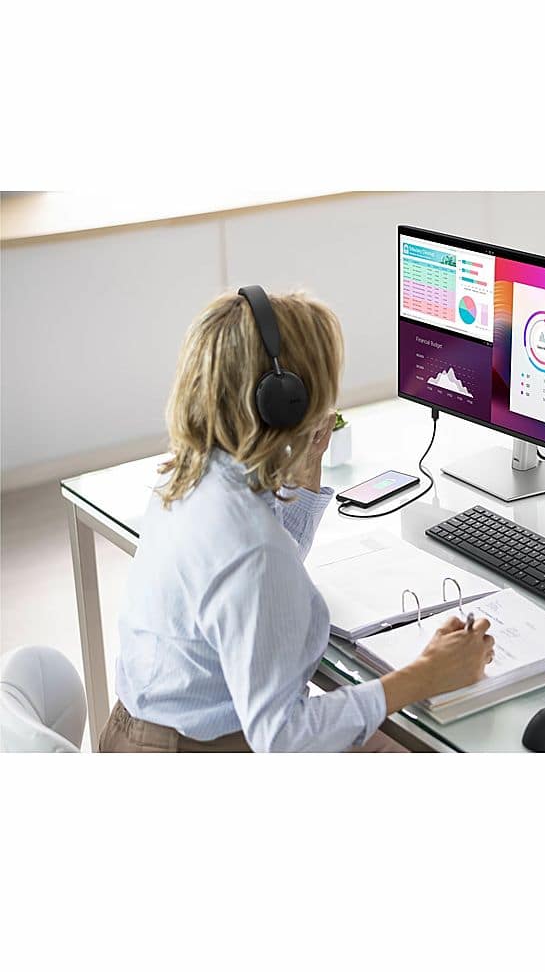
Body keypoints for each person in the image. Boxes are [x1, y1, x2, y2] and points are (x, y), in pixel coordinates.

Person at [99, 289, 493, 752]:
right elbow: (283, 737)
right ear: (283, 400)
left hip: (137, 732)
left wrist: (305, 463)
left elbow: (265, 579)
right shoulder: (249, 546)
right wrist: (425, 675)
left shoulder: (199, 472)